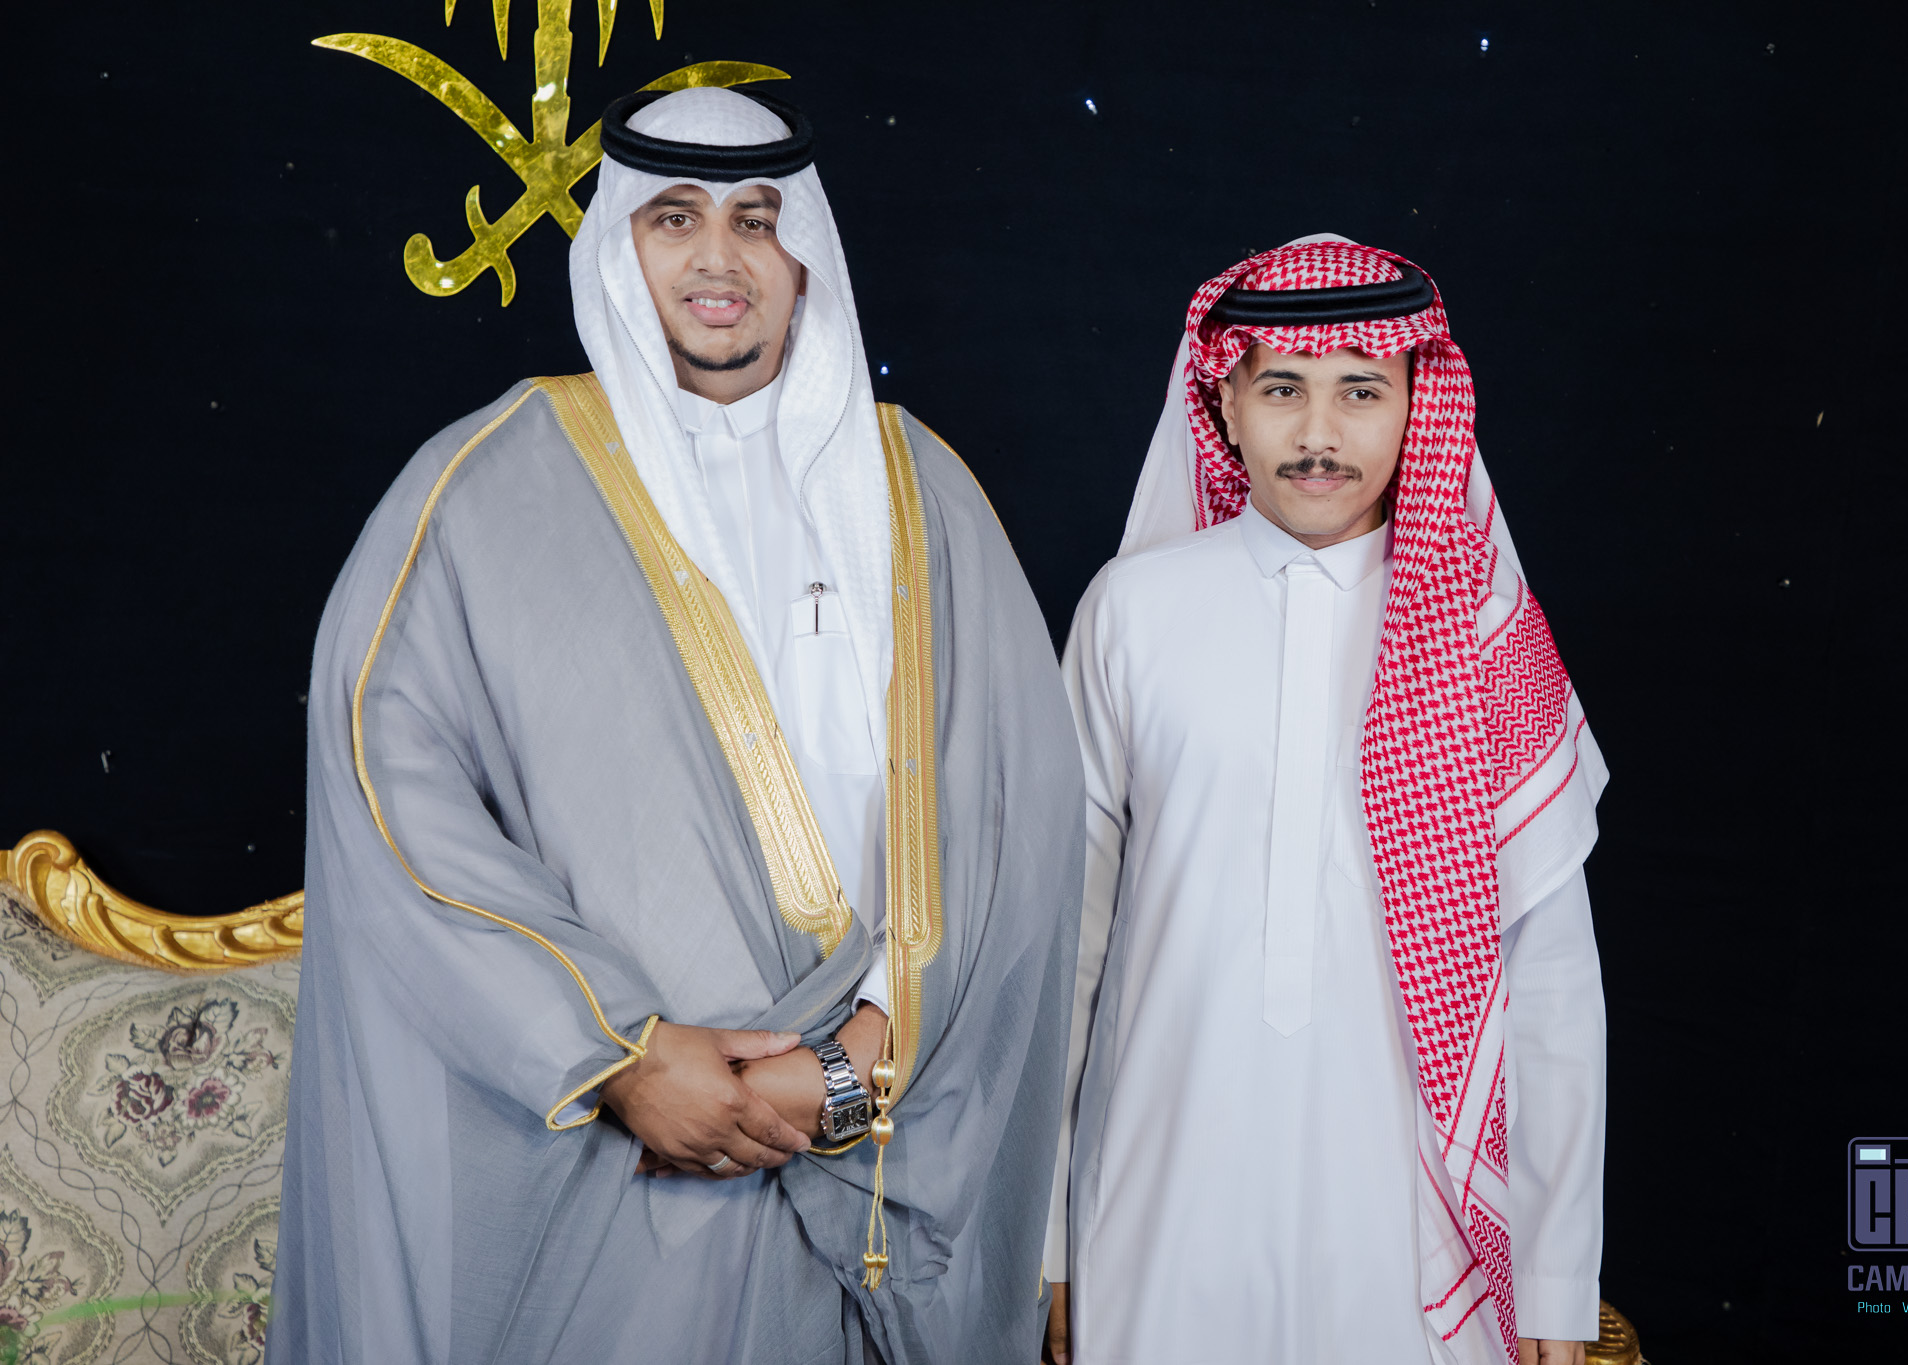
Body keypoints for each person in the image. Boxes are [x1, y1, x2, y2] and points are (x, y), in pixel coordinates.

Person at [273, 85, 1082, 1365]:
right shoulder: (482, 489)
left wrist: (861, 1057)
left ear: (802, 253)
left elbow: (1017, 811)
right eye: (674, 219)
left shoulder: (919, 490)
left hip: (876, 1126)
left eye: (755, 220)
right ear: (619, 246)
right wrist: (623, 1057)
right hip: (624, 1165)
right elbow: (393, 799)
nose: (718, 258)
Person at [1044, 238, 1607, 1365]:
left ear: (1415, 404)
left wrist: (1553, 1277)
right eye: (1282, 390)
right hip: (1157, 1200)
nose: (1317, 433)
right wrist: (1042, 1237)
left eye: (1360, 391)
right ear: (1225, 406)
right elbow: (1062, 950)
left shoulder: (1485, 637)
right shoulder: (1131, 611)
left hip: (1407, 1231)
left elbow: (1548, 981)